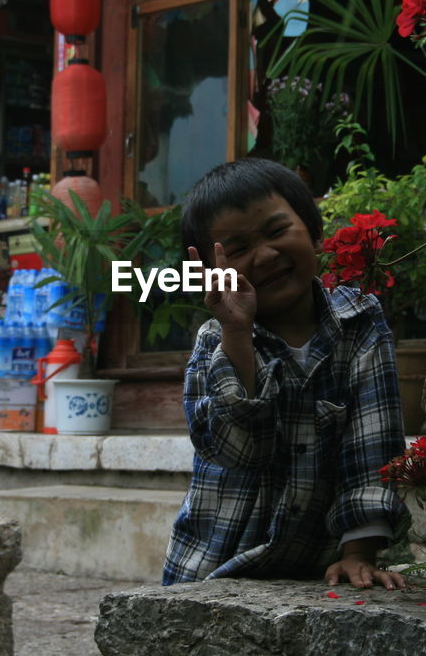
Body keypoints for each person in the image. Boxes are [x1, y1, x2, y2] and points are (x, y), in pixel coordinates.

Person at [163, 158, 409, 590]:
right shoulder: (213, 342)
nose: (265, 255)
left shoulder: (362, 326)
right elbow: (236, 452)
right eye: (236, 250)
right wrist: (237, 334)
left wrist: (359, 555)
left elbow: (373, 446)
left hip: (320, 566)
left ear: (314, 231)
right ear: (207, 271)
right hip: (214, 566)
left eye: (277, 232)